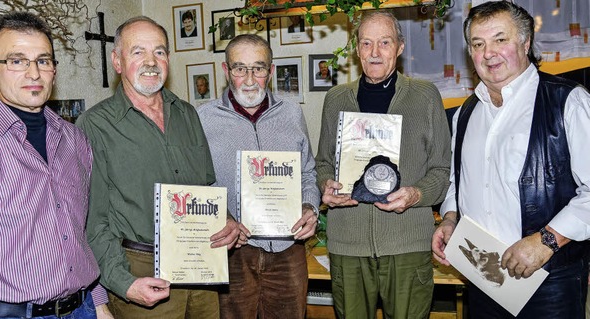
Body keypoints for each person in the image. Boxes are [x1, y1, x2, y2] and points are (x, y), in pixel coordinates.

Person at [432, 2, 590, 318]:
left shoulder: (569, 102)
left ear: (526, 42)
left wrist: (547, 240)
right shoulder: (464, 114)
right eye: (478, 44)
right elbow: (457, 180)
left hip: (549, 280)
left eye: (500, 39)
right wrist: (450, 218)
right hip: (482, 277)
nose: (488, 53)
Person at [0, 11, 111, 319]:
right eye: (17, 60)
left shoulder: (75, 140)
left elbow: (78, 232)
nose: (34, 73)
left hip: (83, 308)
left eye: (43, 60)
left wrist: (98, 302)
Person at [76, 16, 239, 319]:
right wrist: (124, 283)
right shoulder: (94, 125)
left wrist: (226, 220)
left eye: (160, 52)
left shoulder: (188, 114)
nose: (151, 61)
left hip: (200, 266)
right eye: (138, 52)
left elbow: (204, 188)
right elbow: (92, 221)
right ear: (117, 61)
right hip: (139, 270)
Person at [315, 10, 451, 319]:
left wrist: (416, 194)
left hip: (406, 242)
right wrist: (325, 184)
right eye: (366, 43)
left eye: (384, 42)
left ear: (400, 47)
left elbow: (443, 171)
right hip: (347, 243)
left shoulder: (425, 96)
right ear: (357, 48)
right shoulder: (336, 98)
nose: (374, 52)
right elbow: (322, 162)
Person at [197, 34, 320, 319]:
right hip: (234, 252)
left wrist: (310, 207)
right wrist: (223, 218)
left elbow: (308, 172)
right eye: (240, 68)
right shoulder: (203, 118)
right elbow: (199, 184)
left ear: (271, 71)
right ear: (226, 71)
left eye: (259, 68)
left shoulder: (291, 113)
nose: (250, 79)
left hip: (289, 250)